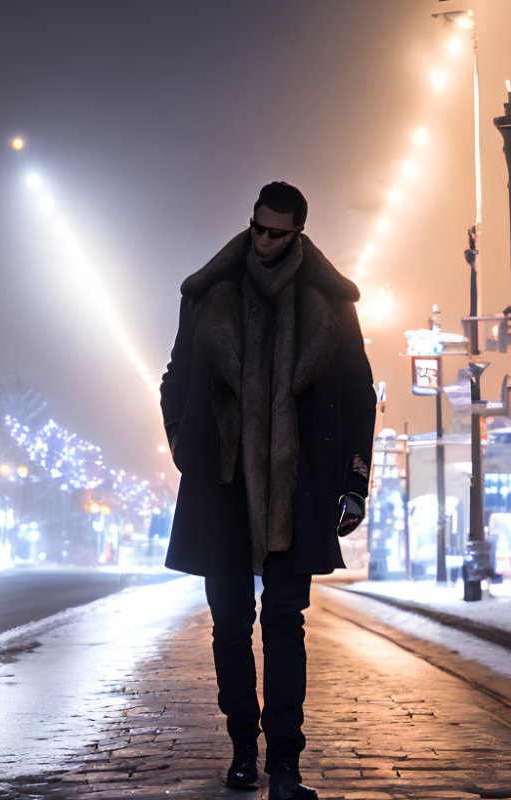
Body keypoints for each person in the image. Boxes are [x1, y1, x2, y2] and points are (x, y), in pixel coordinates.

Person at [159, 182, 376, 800]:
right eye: (257, 228)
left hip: (298, 484)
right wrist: (184, 447)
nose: (263, 241)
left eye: (277, 233)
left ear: (298, 234)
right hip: (222, 488)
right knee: (229, 625)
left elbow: (360, 395)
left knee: (284, 624)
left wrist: (354, 484)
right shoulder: (208, 294)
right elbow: (174, 377)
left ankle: (286, 764)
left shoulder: (329, 301)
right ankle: (242, 751)